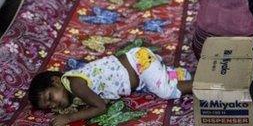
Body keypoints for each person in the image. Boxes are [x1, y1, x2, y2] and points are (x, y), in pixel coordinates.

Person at [28, 47, 192, 126]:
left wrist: (69, 118)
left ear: (56, 81)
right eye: (49, 107)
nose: (54, 104)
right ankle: (175, 74)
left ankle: (200, 84)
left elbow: (100, 107)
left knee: (164, 91)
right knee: (153, 84)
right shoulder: (70, 89)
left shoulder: (75, 84)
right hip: (139, 73)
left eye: (50, 97)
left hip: (139, 64)